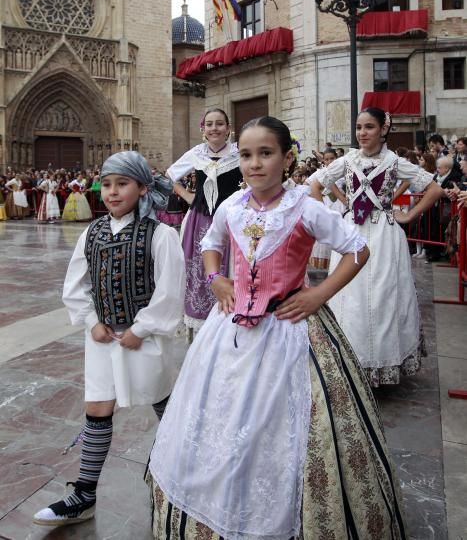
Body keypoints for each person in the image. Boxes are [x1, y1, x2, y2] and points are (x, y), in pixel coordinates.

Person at [147, 116, 407, 540]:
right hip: (228, 334)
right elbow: (209, 245)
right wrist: (217, 280)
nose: (254, 164)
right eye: (247, 155)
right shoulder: (231, 206)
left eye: (265, 154)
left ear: (287, 159)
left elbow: (358, 248)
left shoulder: (305, 206)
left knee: (282, 426)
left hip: (289, 330)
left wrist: (318, 295)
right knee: (220, 417)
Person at [33, 151, 186, 527]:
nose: (113, 192)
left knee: (163, 406)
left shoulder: (161, 235)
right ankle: (84, 494)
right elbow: (76, 285)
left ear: (142, 188)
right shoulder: (93, 232)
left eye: (123, 184)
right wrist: (90, 321)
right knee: (98, 410)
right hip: (102, 339)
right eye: (108, 184)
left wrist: (141, 328)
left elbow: (170, 292)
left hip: (145, 340)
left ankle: (180, 480)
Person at [310, 107, 443, 387]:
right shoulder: (347, 161)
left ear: (383, 129)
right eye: (359, 127)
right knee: (349, 298)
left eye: (369, 127)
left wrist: (407, 215)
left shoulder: (395, 162)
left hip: (384, 234)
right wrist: (329, 221)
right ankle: (349, 361)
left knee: (383, 297)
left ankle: (380, 363)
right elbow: (315, 185)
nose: (362, 133)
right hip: (352, 234)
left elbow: (434, 189)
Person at [167, 108, 241, 337]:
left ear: (228, 129)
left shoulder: (239, 153)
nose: (214, 128)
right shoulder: (196, 153)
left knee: (229, 267)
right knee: (198, 269)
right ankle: (199, 327)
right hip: (199, 221)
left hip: (230, 221)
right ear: (203, 129)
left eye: (219, 124)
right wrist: (188, 196)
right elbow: (169, 176)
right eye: (209, 124)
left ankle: (229, 321)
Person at [308, 147, 345, 271]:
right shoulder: (320, 173)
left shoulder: (343, 172)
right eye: (326, 159)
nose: (329, 162)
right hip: (325, 203)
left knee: (339, 230)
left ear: (337, 158)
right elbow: (307, 185)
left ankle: (339, 263)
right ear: (323, 160)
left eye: (332, 159)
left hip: (341, 205)